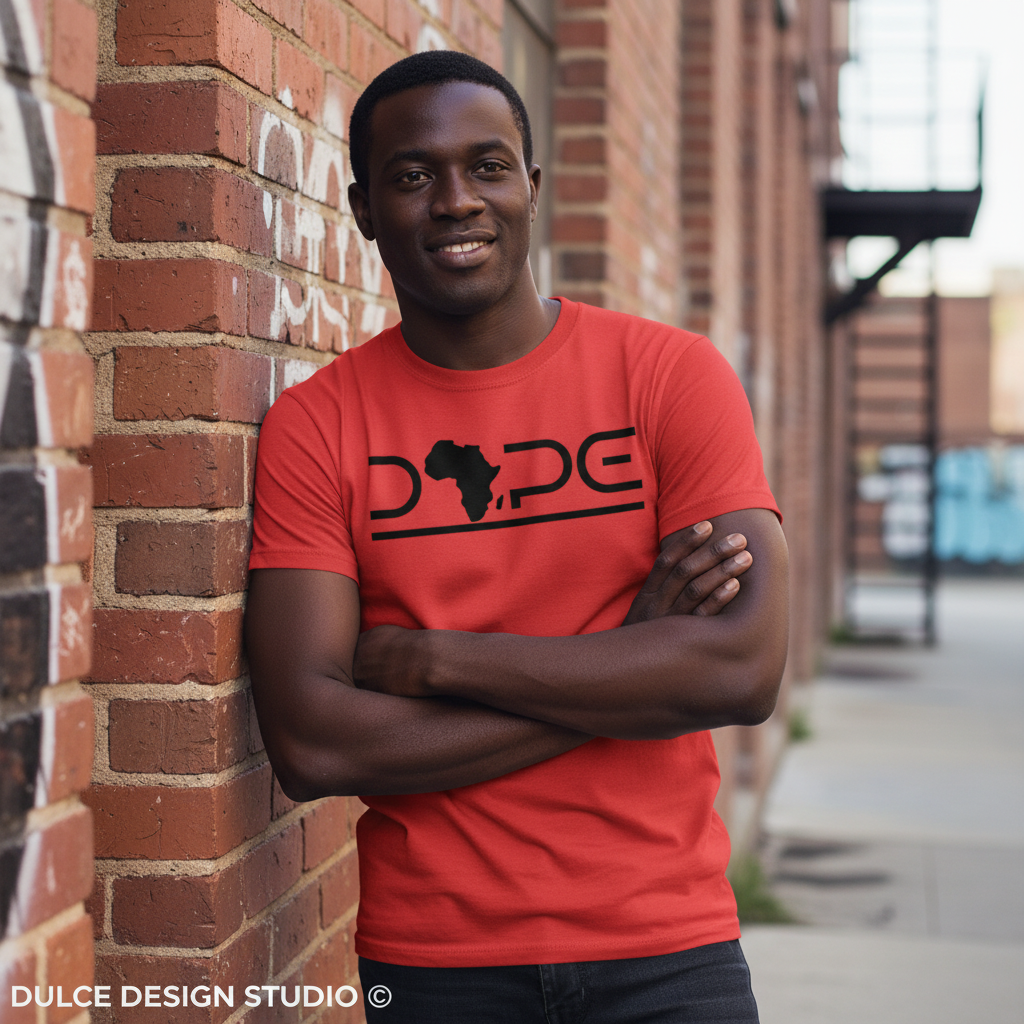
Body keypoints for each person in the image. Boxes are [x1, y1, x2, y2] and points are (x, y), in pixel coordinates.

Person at [245, 50, 788, 1024]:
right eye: (414, 177)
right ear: (365, 208)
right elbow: (313, 742)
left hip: (667, 948)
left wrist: (434, 658)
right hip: (434, 960)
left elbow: (740, 672)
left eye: (487, 166)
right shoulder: (316, 426)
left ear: (531, 188)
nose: (456, 200)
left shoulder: (669, 378)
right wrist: (629, 658)